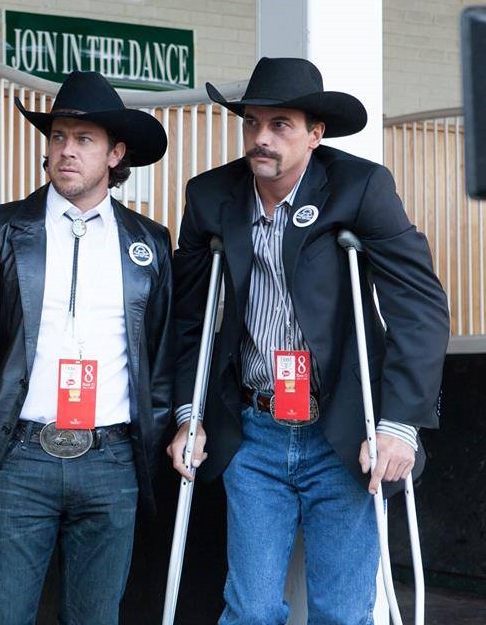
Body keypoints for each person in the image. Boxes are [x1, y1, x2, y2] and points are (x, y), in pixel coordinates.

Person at [168, 57, 449, 623]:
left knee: (343, 613)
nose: (261, 138)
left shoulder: (360, 187)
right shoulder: (211, 197)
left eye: (280, 125)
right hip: (253, 431)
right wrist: (186, 413)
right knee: (249, 611)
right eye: (252, 124)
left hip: (341, 431)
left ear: (315, 134)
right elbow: (189, 317)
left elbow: (418, 305)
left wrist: (398, 426)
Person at [0, 70, 174, 624]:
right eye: (58, 136)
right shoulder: (4, 228)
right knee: (1, 614)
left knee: (96, 618)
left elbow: (159, 352)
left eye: (84, 140)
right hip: (19, 454)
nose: (67, 151)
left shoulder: (149, 243)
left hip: (111, 458)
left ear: (115, 153)